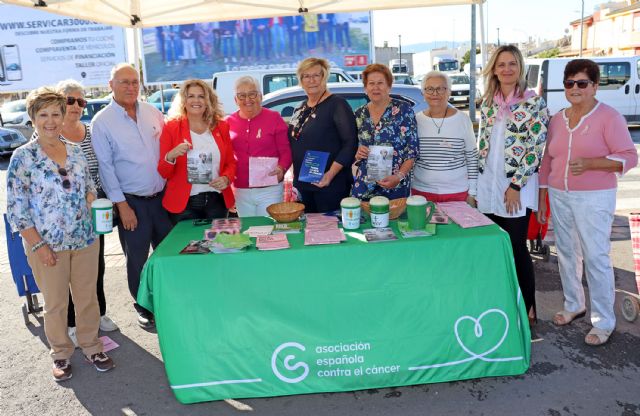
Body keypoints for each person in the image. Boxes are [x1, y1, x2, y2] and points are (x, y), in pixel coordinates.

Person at [7, 87, 115, 382]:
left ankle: (93, 347)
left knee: (87, 298)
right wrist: (38, 245)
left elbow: (90, 186)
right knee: (56, 304)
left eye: (56, 113)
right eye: (43, 114)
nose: (51, 120)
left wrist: (93, 201)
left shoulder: (76, 151)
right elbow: (17, 210)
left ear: (64, 115)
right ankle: (61, 354)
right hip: (47, 245)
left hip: (85, 239)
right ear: (32, 118)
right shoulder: (22, 158)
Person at [537, 59, 638, 346]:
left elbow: (630, 156)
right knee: (567, 252)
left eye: (582, 83)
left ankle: (603, 321)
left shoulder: (609, 117)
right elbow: (547, 160)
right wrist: (543, 196)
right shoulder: (557, 118)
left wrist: (594, 163)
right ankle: (573, 305)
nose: (575, 89)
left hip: (594, 197)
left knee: (596, 257)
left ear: (595, 86)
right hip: (559, 195)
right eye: (570, 83)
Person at [92, 63, 173, 330]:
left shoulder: (152, 112)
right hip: (131, 202)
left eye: (134, 82)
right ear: (111, 85)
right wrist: (122, 206)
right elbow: (106, 168)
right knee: (136, 258)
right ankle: (143, 307)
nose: (130, 87)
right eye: (124, 82)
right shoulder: (102, 122)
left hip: (161, 198)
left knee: (167, 253)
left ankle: (166, 300)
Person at [476, 45, 549, 326]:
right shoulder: (488, 102)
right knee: (494, 248)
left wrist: (515, 186)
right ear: (494, 69)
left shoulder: (533, 103)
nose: (506, 69)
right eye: (501, 64)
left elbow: (535, 148)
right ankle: (502, 304)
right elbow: (484, 145)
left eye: (512, 64)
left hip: (515, 187)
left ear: (520, 68)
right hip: (488, 186)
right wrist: (476, 189)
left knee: (517, 247)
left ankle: (529, 310)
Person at [56, 79, 119, 346]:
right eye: (70, 100)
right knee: (68, 270)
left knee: (96, 266)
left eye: (81, 101)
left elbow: (103, 168)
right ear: (60, 102)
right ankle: (72, 322)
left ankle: (99, 313)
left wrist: (111, 200)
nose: (76, 106)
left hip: (96, 211)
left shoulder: (91, 132)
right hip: (63, 216)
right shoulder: (49, 132)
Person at [158, 79, 236, 223]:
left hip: (217, 201)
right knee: (187, 246)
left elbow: (231, 163)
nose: (196, 100)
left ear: (208, 101)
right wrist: (171, 155)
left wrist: (226, 178)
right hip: (184, 204)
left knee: (215, 245)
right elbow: (163, 172)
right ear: (183, 101)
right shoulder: (171, 128)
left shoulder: (221, 126)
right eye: (191, 96)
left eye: (201, 96)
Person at [288, 57, 357, 213]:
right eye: (306, 76)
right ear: (301, 80)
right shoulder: (300, 108)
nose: (311, 80)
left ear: (324, 77)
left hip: (330, 184)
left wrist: (330, 174)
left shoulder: (337, 104)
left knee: (330, 231)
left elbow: (350, 143)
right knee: (310, 232)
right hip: (304, 184)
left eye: (316, 75)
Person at [226, 76, 291, 216]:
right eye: (241, 96)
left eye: (252, 94)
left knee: (268, 231)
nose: (247, 100)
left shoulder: (274, 118)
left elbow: (286, 151)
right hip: (240, 190)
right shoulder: (228, 122)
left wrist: (281, 168)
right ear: (235, 100)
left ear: (260, 96)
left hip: (270, 189)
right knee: (248, 232)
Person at [351, 63, 418, 201]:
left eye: (380, 83)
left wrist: (399, 177)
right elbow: (352, 149)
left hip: (394, 185)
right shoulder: (359, 114)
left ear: (389, 86)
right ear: (365, 88)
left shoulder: (404, 110)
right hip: (364, 186)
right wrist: (357, 154)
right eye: (371, 83)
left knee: (394, 221)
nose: (375, 88)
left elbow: (412, 151)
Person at [412, 71, 478, 204]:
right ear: (423, 93)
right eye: (429, 89)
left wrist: (473, 193)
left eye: (441, 88)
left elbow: (472, 157)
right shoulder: (415, 120)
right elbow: (410, 159)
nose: (435, 93)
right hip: (421, 193)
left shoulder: (463, 120)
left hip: (457, 193)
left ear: (449, 92)